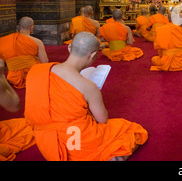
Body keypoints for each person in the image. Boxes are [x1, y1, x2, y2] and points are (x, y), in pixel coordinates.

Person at [24, 32, 148, 161]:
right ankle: (111, 156)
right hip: (77, 143)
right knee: (132, 130)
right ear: (93, 55)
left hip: (46, 143)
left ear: (69, 47)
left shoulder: (36, 72)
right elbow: (102, 120)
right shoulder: (89, 87)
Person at [0, 59, 36, 161]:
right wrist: (1, 75)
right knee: (34, 127)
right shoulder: (37, 42)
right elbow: (14, 105)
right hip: (31, 73)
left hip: (16, 75)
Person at [0, 16, 49, 89]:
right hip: (33, 75)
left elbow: (1, 63)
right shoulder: (37, 42)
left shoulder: (4, 41)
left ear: (18, 26)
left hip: (13, 77)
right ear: (32, 27)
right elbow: (45, 62)